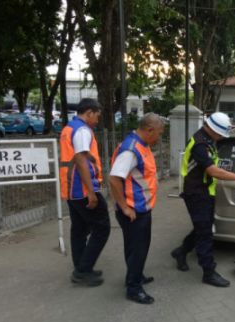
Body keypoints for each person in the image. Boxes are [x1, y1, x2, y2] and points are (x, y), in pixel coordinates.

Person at [170, 112, 235, 287]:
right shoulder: (200, 144)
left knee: (202, 227)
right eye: (220, 133)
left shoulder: (207, 139)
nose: (221, 137)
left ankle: (181, 252)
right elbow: (213, 171)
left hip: (205, 191)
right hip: (195, 193)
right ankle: (208, 272)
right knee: (205, 232)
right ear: (212, 129)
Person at [108, 114, 165, 304]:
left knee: (138, 248)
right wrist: (124, 207)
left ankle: (136, 275)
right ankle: (133, 288)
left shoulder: (141, 145)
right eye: (158, 133)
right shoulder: (131, 150)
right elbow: (114, 178)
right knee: (137, 249)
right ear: (149, 130)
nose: (159, 137)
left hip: (141, 209)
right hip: (133, 211)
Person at [59, 98, 110, 286]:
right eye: (97, 115)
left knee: (79, 229)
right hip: (82, 189)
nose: (97, 120)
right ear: (89, 113)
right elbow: (81, 160)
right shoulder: (82, 130)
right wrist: (91, 192)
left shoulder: (68, 128)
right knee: (102, 228)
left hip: (71, 188)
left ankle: (81, 266)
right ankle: (83, 269)